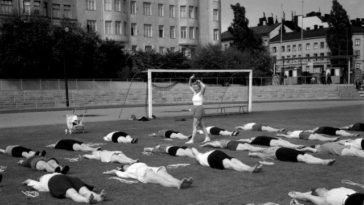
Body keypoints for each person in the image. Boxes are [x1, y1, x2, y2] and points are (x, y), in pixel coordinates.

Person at [23, 173, 105, 204]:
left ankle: (94, 198)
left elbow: (31, 182)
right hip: (61, 179)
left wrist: (28, 181)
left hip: (61, 179)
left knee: (78, 192)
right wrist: (28, 181)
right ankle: (92, 198)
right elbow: (31, 182)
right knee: (78, 192)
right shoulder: (41, 183)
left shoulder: (41, 182)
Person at [103, 162, 193, 189]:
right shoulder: (126, 173)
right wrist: (111, 171)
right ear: (123, 169)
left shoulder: (136, 163)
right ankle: (177, 185)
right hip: (144, 174)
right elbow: (116, 172)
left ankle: (182, 182)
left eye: (125, 164)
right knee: (160, 180)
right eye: (123, 166)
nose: (125, 165)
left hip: (152, 168)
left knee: (168, 176)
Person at [191, 148, 262, 173]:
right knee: (231, 163)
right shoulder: (199, 158)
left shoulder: (200, 157)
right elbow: (194, 149)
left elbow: (194, 150)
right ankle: (249, 169)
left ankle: (250, 168)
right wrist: (195, 155)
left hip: (215, 154)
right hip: (212, 157)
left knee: (233, 161)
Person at [185, 74, 210, 144]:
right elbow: (189, 85)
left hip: (199, 109)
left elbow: (204, 86)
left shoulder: (201, 93)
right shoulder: (194, 93)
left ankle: (192, 139)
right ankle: (207, 137)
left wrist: (200, 81)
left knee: (194, 125)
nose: (194, 88)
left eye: (196, 87)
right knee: (201, 125)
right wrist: (190, 78)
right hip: (195, 109)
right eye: (194, 87)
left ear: (199, 87)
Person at [248, 147, 335, 166]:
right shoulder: (263, 154)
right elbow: (255, 154)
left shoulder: (269, 148)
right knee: (302, 158)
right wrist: (252, 154)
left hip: (285, 150)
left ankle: (324, 160)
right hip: (280, 154)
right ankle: (323, 162)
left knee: (306, 155)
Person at [288, 187, 364, 205]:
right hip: (353, 199)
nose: (323, 188)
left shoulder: (336, 190)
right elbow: (310, 197)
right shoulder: (329, 198)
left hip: (355, 198)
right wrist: (303, 195)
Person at [236, 136, 305, 149]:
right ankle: (296, 146)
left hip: (274, 140)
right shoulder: (253, 141)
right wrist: (238, 140)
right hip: (271, 142)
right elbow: (244, 140)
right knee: (283, 144)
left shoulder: (256, 138)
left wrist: (278, 138)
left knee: (286, 143)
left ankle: (297, 146)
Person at [200, 139, 266, 152]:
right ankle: (264, 149)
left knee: (249, 148)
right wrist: (205, 145)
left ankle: (264, 149)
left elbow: (210, 143)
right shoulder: (220, 141)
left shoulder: (218, 143)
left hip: (232, 144)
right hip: (233, 143)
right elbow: (210, 143)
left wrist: (204, 145)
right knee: (249, 147)